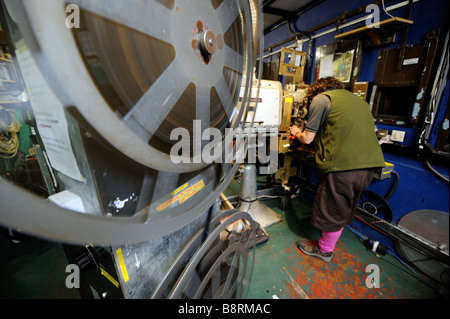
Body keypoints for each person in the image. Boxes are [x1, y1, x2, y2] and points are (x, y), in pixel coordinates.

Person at [290, 77, 385, 262]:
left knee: (332, 208)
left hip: (344, 167)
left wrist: (295, 132)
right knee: (344, 207)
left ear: (317, 90)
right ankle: (328, 241)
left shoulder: (322, 99)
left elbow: (307, 138)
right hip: (369, 167)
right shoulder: (360, 102)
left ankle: (324, 250)